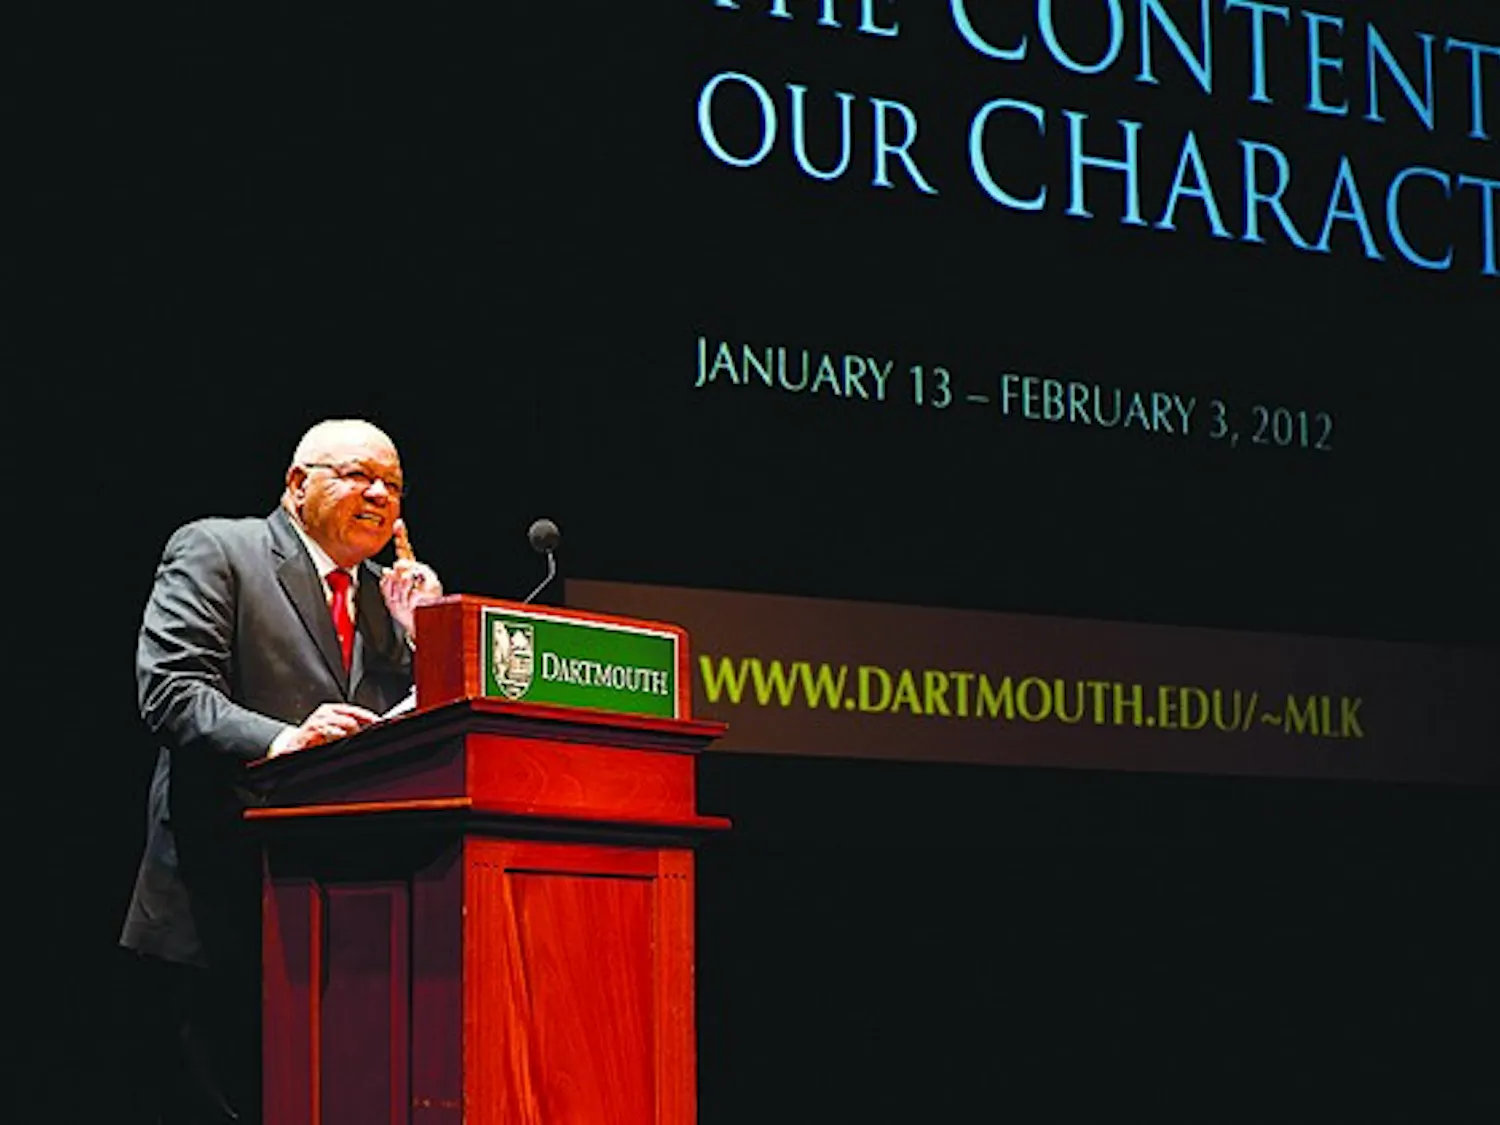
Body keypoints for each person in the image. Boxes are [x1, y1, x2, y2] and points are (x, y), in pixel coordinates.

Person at [119, 418, 443, 1123]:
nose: (379, 495)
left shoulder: (391, 598)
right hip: (223, 900)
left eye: (392, 484)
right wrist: (284, 737)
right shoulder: (219, 549)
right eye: (358, 474)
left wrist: (431, 638)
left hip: (352, 914)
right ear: (298, 484)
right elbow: (170, 691)